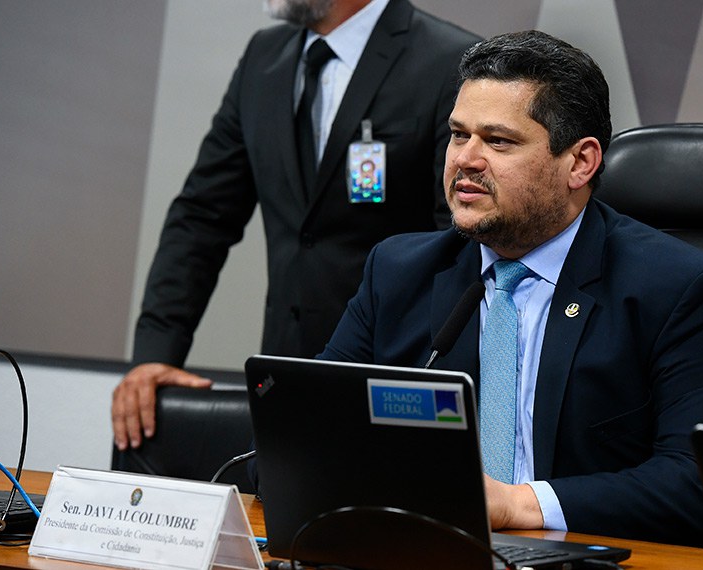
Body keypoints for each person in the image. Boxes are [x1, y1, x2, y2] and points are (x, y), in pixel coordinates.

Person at [318, 30, 703, 546]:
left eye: (498, 141)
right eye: (458, 135)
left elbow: (699, 484)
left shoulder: (677, 289)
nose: (465, 160)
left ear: (580, 163)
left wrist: (518, 505)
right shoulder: (397, 273)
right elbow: (297, 439)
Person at [111, 0, 479, 451]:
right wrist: (154, 355)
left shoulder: (449, 61)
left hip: (396, 386)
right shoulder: (264, 57)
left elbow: (460, 244)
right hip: (284, 379)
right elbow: (202, 217)